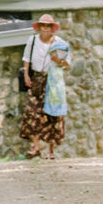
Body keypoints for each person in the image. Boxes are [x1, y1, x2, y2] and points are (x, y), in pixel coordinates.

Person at [20, 14, 71, 159]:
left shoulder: (59, 43)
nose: (45, 29)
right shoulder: (33, 40)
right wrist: (26, 75)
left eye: (48, 26)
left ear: (52, 28)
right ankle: (35, 147)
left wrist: (58, 61)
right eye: (42, 26)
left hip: (53, 80)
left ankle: (51, 150)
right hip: (36, 78)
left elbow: (67, 64)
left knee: (53, 114)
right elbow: (26, 58)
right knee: (33, 112)